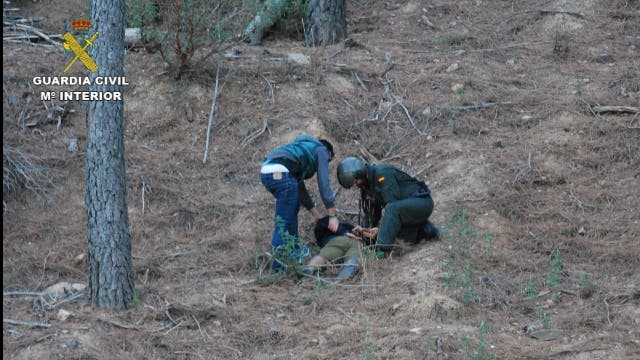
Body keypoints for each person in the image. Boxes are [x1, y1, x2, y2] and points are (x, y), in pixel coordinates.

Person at [261, 134, 339, 271]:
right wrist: (332, 214)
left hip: (267, 173)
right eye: (328, 160)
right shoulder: (321, 150)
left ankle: (293, 255)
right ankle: (277, 270)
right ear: (329, 153)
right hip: (281, 173)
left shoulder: (299, 151)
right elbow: (323, 183)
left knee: (290, 213)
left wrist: (315, 214)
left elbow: (299, 187)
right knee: (284, 223)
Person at [336, 156, 440, 253]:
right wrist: (364, 232)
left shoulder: (382, 174)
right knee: (404, 240)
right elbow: (372, 215)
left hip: (422, 203)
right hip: (405, 211)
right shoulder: (366, 185)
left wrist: (380, 231)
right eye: (352, 184)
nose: (355, 185)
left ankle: (381, 251)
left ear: (359, 173)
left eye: (354, 182)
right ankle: (423, 229)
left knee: (391, 213)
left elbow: (392, 206)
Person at [302, 216, 363, 282]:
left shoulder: (325, 228)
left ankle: (310, 267)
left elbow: (322, 224)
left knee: (323, 257)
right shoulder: (349, 227)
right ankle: (341, 278)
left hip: (334, 242)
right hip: (355, 243)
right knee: (353, 258)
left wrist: (344, 232)